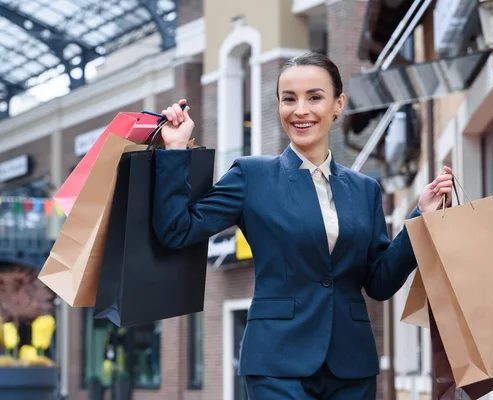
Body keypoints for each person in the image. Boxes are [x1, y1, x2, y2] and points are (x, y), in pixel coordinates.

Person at [153, 52, 454, 400]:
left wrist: (421, 217)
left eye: (314, 97)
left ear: (338, 104)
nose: (300, 110)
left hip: (352, 366)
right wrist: (175, 150)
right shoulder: (252, 176)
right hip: (276, 364)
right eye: (289, 99)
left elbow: (381, 282)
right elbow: (177, 229)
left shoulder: (364, 190)